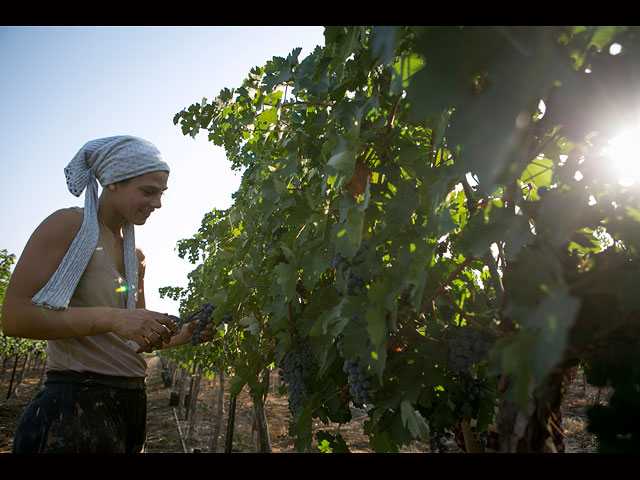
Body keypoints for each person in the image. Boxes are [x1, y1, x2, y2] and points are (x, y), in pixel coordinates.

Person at [1, 135, 213, 453]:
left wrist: (185, 333)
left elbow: (133, 337)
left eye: (161, 194)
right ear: (113, 182)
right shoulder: (67, 226)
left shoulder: (135, 256)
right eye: (148, 191)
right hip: (74, 406)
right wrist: (114, 317)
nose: (157, 203)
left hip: (130, 403)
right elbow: (15, 319)